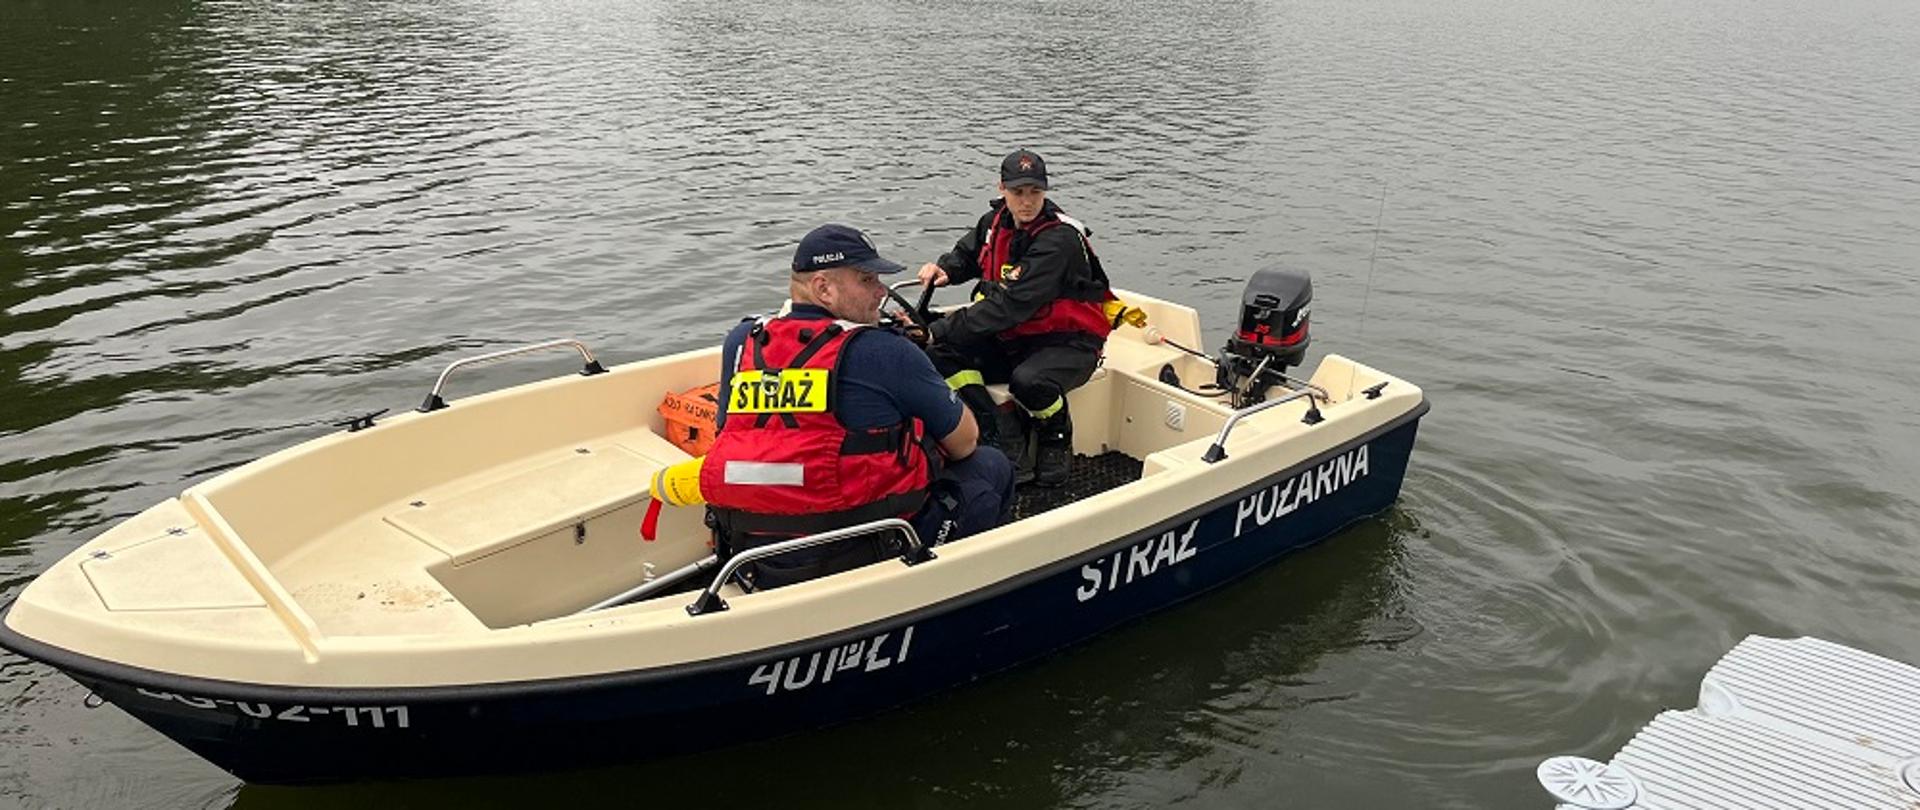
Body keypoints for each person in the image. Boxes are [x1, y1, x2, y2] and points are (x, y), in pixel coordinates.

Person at [701, 224, 1015, 589]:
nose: (881, 291)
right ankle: (979, 588)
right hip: (857, 553)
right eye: (867, 279)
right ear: (823, 287)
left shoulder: (743, 342)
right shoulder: (884, 350)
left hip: (750, 552)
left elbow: (728, 430)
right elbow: (964, 442)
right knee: (991, 465)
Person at [917, 149, 1114, 487]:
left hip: (1068, 343)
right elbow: (969, 254)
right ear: (1002, 189)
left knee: (1029, 381)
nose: (1027, 202)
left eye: (1035, 192)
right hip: (1014, 336)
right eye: (1018, 192)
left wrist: (936, 330)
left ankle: (1055, 434)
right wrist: (945, 269)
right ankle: (999, 428)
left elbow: (1008, 305)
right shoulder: (994, 223)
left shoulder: (1059, 240)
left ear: (1046, 191)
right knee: (935, 356)